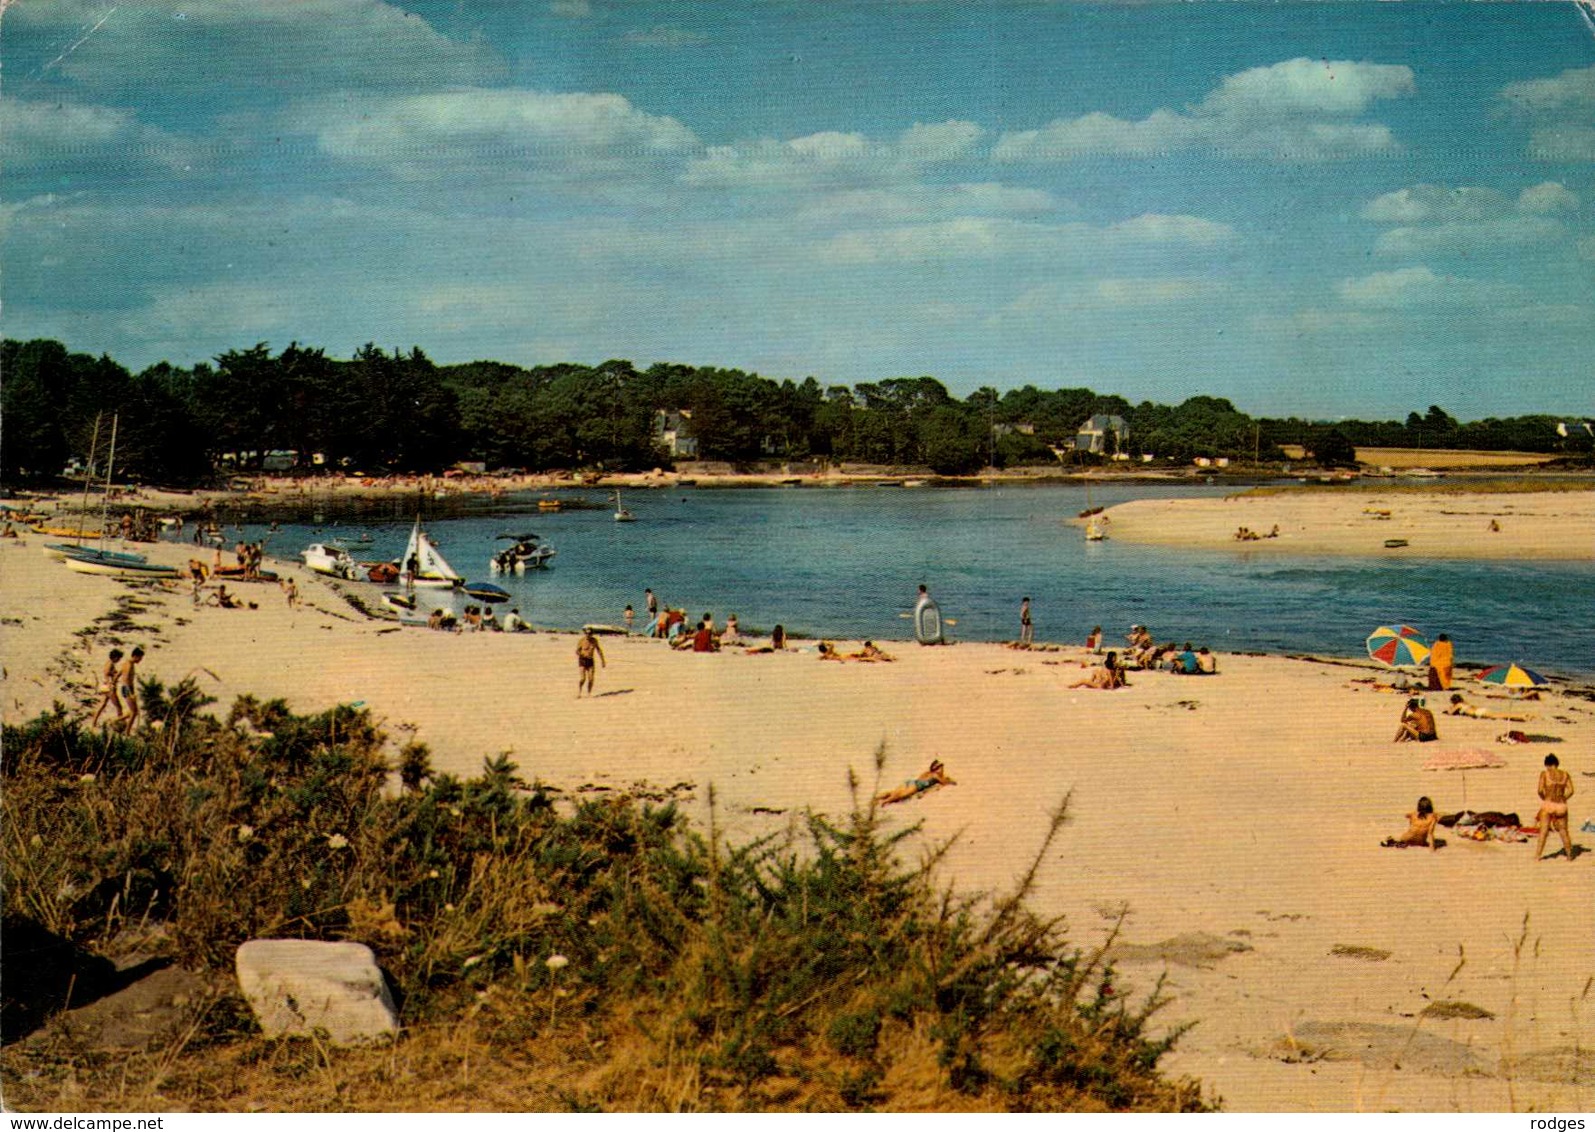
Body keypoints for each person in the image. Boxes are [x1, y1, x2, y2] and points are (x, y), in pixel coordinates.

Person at [1534, 754, 1575, 863]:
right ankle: (1569, 856)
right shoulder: (1565, 774)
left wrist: (1544, 799)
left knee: (1543, 831)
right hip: (1561, 805)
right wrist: (1563, 798)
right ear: (1556, 763)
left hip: (1548, 804)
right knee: (1564, 832)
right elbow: (1571, 790)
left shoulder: (1544, 774)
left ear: (1547, 764)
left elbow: (1539, 790)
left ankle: (1537, 856)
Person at [876, 759, 956, 806]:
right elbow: (944, 782)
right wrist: (950, 781)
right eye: (940, 768)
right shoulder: (936, 776)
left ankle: (877, 797)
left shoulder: (928, 773)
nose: (941, 770)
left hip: (911, 782)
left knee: (893, 792)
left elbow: (920, 778)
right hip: (916, 786)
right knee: (900, 796)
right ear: (936, 769)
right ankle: (884, 802)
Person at [90, 648, 124, 729]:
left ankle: (94, 723)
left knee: (102, 705)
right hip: (109, 688)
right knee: (119, 707)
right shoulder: (110, 664)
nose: (119, 660)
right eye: (118, 658)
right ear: (115, 657)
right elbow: (107, 674)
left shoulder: (109, 663)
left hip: (106, 687)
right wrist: (111, 684)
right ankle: (121, 724)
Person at [113, 647, 144, 732]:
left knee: (134, 711)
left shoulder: (127, 663)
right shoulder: (129, 665)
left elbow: (118, 674)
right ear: (135, 656)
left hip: (126, 688)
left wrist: (114, 683)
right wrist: (131, 694)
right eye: (140, 658)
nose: (140, 660)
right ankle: (127, 732)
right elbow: (126, 680)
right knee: (134, 712)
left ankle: (115, 721)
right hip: (126, 689)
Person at [1444, 693, 1531, 722]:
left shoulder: (1459, 705)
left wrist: (1448, 710)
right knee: (1502, 714)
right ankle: (1522, 715)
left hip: (1479, 713)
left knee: (1501, 716)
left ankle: (1522, 716)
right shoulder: (1465, 703)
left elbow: (1450, 713)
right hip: (1481, 710)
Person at [576, 628, 606, 696]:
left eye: (589, 633)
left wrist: (603, 661)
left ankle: (588, 693)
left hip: (590, 660)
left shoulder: (594, 640)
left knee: (591, 679)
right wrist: (581, 654)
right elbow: (577, 651)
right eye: (586, 633)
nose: (587, 635)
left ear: (592, 634)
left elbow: (599, 650)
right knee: (582, 678)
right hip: (582, 660)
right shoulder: (581, 640)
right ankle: (579, 691)